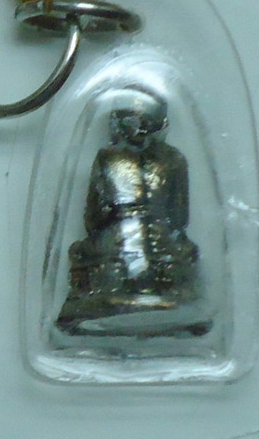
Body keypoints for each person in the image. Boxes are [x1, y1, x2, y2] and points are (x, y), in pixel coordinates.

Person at [56, 88, 210, 337]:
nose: (140, 127)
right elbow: (179, 217)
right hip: (128, 231)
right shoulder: (115, 157)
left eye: (146, 120)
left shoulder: (169, 159)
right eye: (133, 119)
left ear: (160, 123)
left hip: (140, 233)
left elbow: (178, 217)